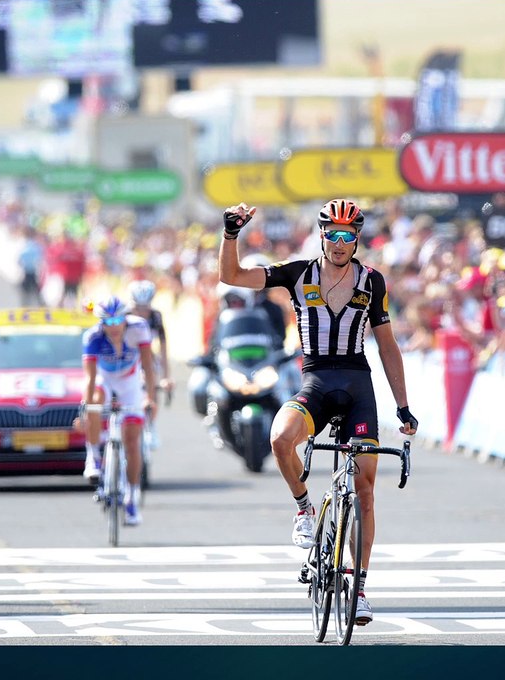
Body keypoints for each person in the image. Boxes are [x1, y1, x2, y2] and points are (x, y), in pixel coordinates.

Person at [218, 197, 419, 627]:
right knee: (279, 438)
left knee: (365, 487)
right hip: (315, 382)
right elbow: (230, 275)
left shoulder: (373, 281)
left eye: (349, 235)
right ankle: (305, 508)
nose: (341, 242)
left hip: (358, 386)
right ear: (322, 234)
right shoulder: (296, 273)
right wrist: (231, 234)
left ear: (357, 238)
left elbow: (387, 346)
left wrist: (403, 406)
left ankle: (360, 589)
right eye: (334, 233)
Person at [80, 297, 159, 527]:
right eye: (107, 321)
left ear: (125, 318)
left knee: (132, 442)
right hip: (105, 380)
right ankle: (93, 456)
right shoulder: (92, 337)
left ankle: (132, 497)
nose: (113, 326)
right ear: (100, 323)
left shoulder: (139, 329)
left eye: (118, 320)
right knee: (94, 400)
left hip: (130, 382)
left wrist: (149, 398)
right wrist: (86, 405)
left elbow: (148, 367)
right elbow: (90, 378)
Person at [127, 279, 174, 404]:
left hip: (147, 355)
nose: (142, 312)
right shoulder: (124, 316)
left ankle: (151, 417)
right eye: (138, 308)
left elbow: (163, 347)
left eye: (145, 308)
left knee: (151, 382)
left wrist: (166, 376)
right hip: (127, 356)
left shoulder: (155, 316)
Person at [44, 230, 87, 308]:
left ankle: (65, 309)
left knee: (66, 297)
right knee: (68, 296)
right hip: (68, 277)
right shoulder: (76, 251)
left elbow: (53, 261)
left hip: (68, 277)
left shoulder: (62, 250)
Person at [18, 226, 45, 307]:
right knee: (35, 292)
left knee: (28, 293)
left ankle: (25, 306)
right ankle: (40, 305)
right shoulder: (35, 246)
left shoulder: (26, 245)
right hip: (31, 272)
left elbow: (19, 260)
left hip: (28, 272)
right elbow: (40, 258)